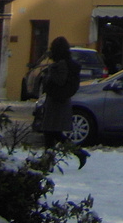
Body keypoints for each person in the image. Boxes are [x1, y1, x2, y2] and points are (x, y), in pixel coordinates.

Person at [38, 36, 88, 167]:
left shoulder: (61, 64)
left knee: (50, 132)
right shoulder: (66, 62)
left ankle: (49, 162)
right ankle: (74, 154)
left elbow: (60, 80)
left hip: (56, 101)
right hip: (61, 101)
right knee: (54, 133)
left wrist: (50, 73)